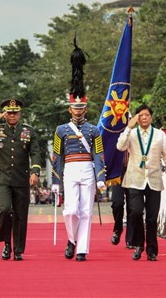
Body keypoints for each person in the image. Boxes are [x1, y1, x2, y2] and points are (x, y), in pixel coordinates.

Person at [51, 40, 106, 262]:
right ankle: (72, 239)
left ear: (86, 109)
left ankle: (82, 248)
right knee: (70, 211)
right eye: (75, 107)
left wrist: (101, 176)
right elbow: (57, 156)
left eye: (81, 108)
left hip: (87, 168)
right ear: (69, 108)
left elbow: (99, 154)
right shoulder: (61, 130)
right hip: (70, 169)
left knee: (85, 211)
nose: (78, 111)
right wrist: (55, 180)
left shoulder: (94, 130)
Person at [0, 99, 42, 261]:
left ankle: (18, 250)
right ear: (4, 114)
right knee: (5, 209)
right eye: (9, 113)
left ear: (20, 114)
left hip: (21, 178)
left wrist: (35, 172)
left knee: (21, 215)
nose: (12, 116)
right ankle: (7, 243)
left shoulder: (28, 131)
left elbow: (35, 153)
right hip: (2, 177)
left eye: (15, 113)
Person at [117, 104, 166, 261]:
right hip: (134, 179)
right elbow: (120, 147)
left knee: (151, 218)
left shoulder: (159, 135)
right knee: (136, 212)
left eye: (146, 115)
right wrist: (128, 128)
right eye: (141, 115)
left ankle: (152, 250)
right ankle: (138, 244)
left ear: (151, 117)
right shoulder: (131, 134)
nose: (144, 117)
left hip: (153, 179)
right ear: (137, 118)